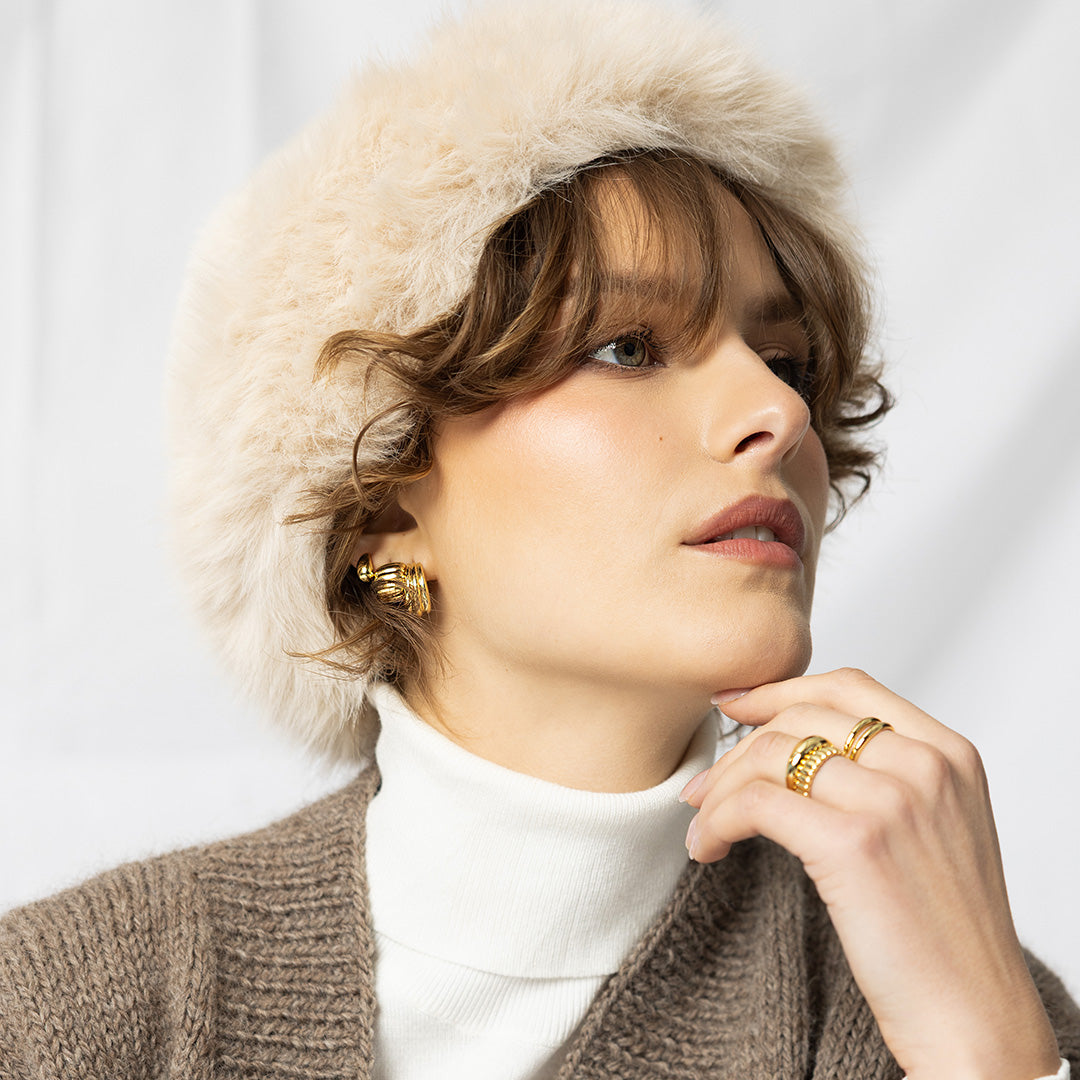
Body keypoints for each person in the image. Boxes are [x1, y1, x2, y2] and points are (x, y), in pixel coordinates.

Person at [1, 1, 1077, 1077]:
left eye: (787, 360)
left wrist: (989, 1053)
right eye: (627, 347)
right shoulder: (69, 1015)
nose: (781, 412)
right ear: (382, 503)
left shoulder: (948, 1006)